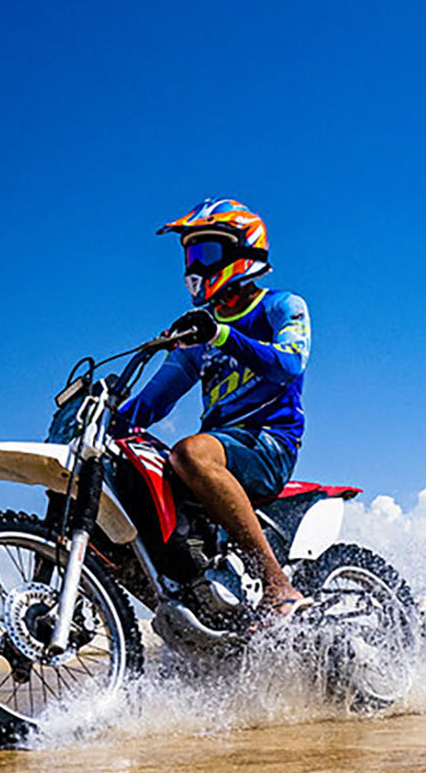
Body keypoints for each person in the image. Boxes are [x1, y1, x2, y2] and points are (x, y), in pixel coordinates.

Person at [119, 198, 310, 618]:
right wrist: (110, 412)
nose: (196, 267)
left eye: (206, 253)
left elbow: (290, 364)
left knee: (189, 452)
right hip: (224, 448)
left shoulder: (281, 306)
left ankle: (278, 585)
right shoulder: (200, 332)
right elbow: (155, 401)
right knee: (130, 467)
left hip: (267, 444)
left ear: (243, 249)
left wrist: (222, 335)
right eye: (190, 255)